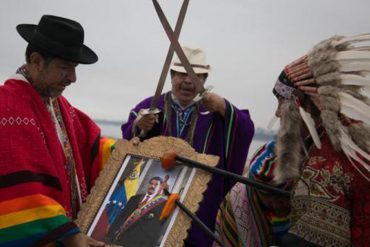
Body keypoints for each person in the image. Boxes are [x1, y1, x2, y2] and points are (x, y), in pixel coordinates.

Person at [215, 34, 370, 247]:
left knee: (241, 193)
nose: (278, 114)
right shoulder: (349, 137)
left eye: (281, 103)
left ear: (302, 105)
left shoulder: (325, 163)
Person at [121, 46, 255, 246]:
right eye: (182, 74)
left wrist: (224, 107)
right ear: (172, 76)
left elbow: (245, 129)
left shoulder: (214, 110)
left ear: (204, 81)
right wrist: (139, 126)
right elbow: (129, 142)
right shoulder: (152, 104)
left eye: (196, 76)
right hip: (155, 194)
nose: (188, 81)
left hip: (199, 200)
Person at [0, 15, 105, 247]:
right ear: (36, 61)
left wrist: (131, 154)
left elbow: (91, 142)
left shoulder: (58, 105)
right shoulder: (6, 108)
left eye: (74, 68)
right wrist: (67, 234)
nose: (73, 78)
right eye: (65, 68)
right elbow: (20, 192)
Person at [106, 176, 168, 247]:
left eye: (156, 184)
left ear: (160, 187)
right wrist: (111, 232)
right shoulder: (134, 198)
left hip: (138, 242)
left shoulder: (162, 204)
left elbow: (154, 228)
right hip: (122, 237)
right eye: (151, 183)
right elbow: (122, 216)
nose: (152, 186)